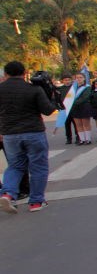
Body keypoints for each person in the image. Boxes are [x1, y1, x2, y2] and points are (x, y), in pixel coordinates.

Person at [0, 61, 57, 213]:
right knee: (38, 166)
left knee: (15, 166)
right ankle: (36, 202)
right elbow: (48, 110)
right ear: (24, 73)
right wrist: (51, 96)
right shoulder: (33, 89)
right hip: (33, 132)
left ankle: (8, 193)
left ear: (5, 74)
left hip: (10, 134)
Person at [69, 72, 93, 145]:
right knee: (78, 124)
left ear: (84, 78)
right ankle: (82, 139)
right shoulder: (73, 88)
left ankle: (88, 139)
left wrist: (73, 103)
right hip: (75, 108)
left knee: (86, 124)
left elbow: (84, 98)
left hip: (84, 106)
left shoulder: (87, 87)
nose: (79, 79)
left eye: (80, 77)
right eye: (77, 77)